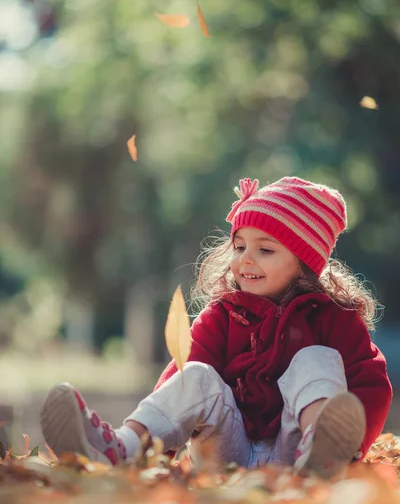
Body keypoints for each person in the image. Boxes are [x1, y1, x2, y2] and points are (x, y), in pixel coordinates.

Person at [40, 177, 392, 478]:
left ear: (304, 264)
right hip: (227, 452)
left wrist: (354, 446)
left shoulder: (334, 318)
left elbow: (370, 384)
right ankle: (125, 449)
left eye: (265, 250)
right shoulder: (222, 316)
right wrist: (162, 445)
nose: (245, 259)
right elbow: (182, 383)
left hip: (294, 452)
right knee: (196, 373)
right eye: (239, 246)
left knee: (317, 358)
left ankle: (324, 451)